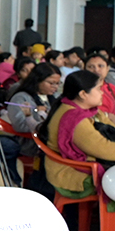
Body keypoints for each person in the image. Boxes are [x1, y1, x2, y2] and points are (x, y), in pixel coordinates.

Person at [40, 69, 115, 197]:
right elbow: (104, 149)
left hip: (85, 163)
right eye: (98, 89)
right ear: (83, 94)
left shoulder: (88, 110)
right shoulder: (74, 119)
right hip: (71, 173)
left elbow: (111, 127)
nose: (102, 92)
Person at [5, 62, 63, 157]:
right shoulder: (21, 98)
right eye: (51, 83)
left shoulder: (54, 97)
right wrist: (38, 118)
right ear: (37, 81)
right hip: (31, 144)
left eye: (58, 83)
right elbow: (19, 125)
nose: (55, 87)